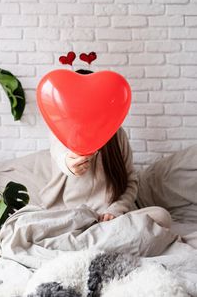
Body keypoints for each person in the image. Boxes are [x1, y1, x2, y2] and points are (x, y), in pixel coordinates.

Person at [45, 69, 172, 229]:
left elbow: (131, 181)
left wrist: (116, 210)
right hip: (72, 215)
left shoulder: (117, 134)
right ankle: (99, 236)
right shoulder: (60, 131)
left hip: (110, 218)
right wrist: (71, 165)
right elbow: (61, 156)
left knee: (162, 216)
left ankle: (100, 235)